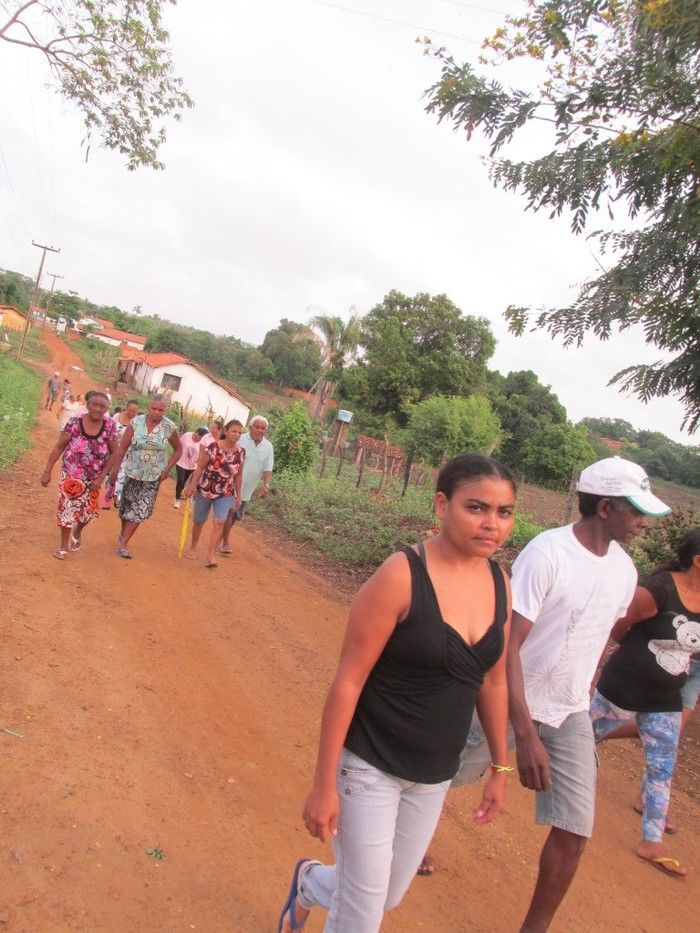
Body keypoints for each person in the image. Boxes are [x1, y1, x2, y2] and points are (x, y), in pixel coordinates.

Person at [278, 454, 516, 933]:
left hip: (433, 774)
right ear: (442, 505)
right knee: (361, 917)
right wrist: (324, 784)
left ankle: (309, 883)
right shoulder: (401, 576)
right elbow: (348, 681)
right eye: (477, 508)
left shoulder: (500, 582)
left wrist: (499, 766)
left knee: (386, 893)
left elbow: (492, 679)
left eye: (504, 512)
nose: (492, 524)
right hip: (370, 763)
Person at [507, 456, 670, 932]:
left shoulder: (624, 571)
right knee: (433, 776)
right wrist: (524, 732)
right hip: (509, 697)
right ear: (604, 507)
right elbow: (508, 648)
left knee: (575, 829)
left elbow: (598, 638)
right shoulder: (548, 553)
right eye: (635, 511)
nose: (643, 523)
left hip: (570, 710)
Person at [589, 526, 700, 879]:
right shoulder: (659, 589)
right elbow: (620, 625)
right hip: (622, 687)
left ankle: (651, 841)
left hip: (666, 698)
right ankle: (509, 751)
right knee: (575, 736)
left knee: (662, 768)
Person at [40, 390, 119, 559]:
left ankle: (78, 530)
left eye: (102, 406)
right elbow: (59, 446)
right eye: (94, 405)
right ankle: (63, 546)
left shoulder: (110, 426)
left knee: (87, 514)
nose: (98, 409)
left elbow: (114, 453)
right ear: (87, 405)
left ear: (107, 409)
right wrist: (48, 470)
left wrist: (101, 478)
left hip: (94, 478)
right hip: (71, 474)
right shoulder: (74, 422)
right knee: (66, 510)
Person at [109, 395, 181, 559]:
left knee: (140, 509)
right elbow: (122, 448)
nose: (157, 412)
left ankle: (123, 544)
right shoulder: (136, 422)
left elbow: (178, 450)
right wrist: (114, 471)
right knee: (126, 508)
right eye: (154, 409)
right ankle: (123, 533)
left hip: (153, 476)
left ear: (165, 410)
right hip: (132, 472)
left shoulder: (169, 426)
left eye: (161, 410)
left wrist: (167, 470)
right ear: (148, 407)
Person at [183, 419, 245, 568]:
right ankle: (193, 547)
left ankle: (210, 556)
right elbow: (200, 467)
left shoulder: (241, 452)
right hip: (205, 488)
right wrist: (192, 486)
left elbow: (239, 475)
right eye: (234, 431)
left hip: (225, 492)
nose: (237, 434)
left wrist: (239, 495)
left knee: (219, 522)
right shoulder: (213, 447)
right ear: (226, 431)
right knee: (199, 520)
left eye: (240, 432)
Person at [219, 415, 273, 555]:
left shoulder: (268, 447)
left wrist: (266, 485)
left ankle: (219, 538)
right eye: (257, 427)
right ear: (250, 427)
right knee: (230, 512)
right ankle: (225, 543)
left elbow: (268, 468)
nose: (260, 430)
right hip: (231, 483)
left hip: (248, 489)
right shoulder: (240, 439)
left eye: (263, 428)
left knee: (236, 516)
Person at [102, 399, 140, 509]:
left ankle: (117, 496)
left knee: (122, 474)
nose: (131, 413)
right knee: (110, 474)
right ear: (126, 408)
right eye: (129, 410)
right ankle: (107, 498)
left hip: (128, 453)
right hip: (113, 450)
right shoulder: (116, 416)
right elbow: (108, 430)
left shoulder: (138, 421)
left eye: (134, 412)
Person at [173, 425, 209, 509]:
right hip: (180, 462)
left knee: (184, 481)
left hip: (191, 466)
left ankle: (179, 493)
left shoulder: (202, 443)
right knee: (181, 480)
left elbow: (201, 455)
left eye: (201, 438)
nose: (198, 439)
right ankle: (177, 500)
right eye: (198, 436)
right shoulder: (187, 435)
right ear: (196, 433)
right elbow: (178, 446)